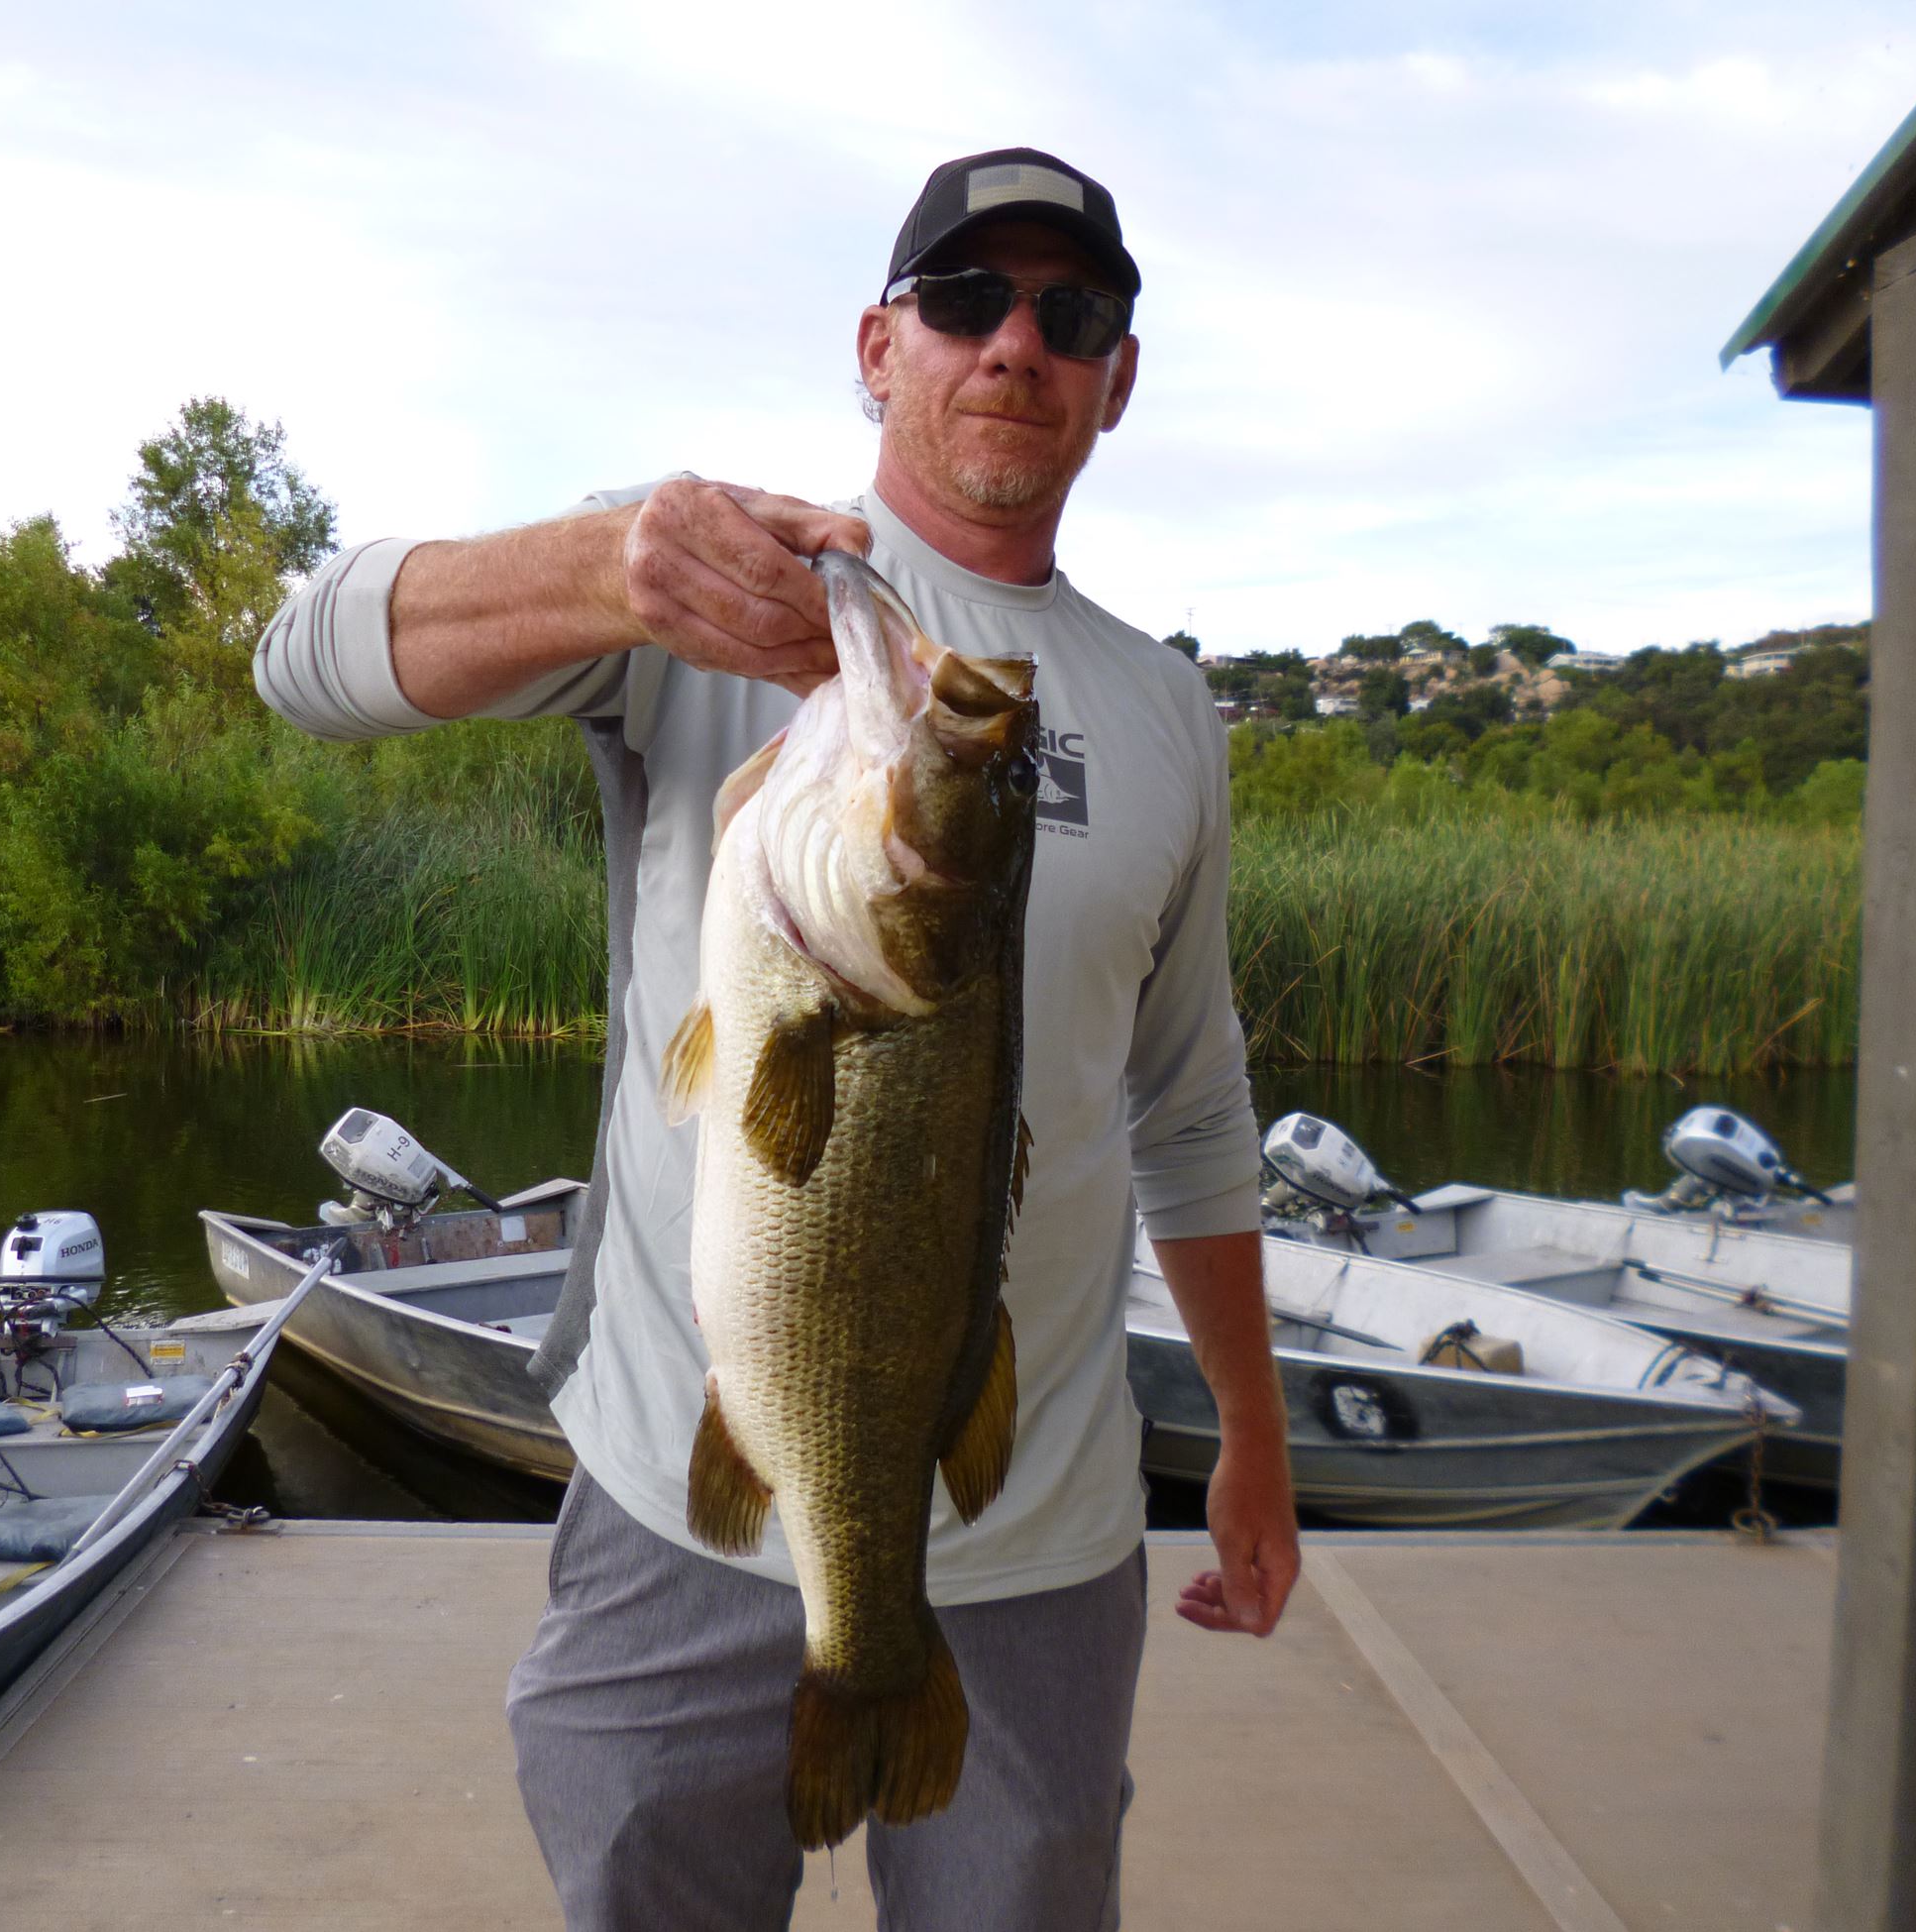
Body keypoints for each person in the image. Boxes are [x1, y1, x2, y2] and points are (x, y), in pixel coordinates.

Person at [255, 148, 1301, 1924]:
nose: (1015, 345)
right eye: (967, 303)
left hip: (1045, 1522)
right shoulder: (711, 589)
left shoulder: (1163, 704)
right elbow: (303, 660)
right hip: (685, 1483)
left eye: (1072, 313)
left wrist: (1258, 1438)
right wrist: (604, 565)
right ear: (879, 349)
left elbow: (1190, 1101)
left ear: (1119, 378)